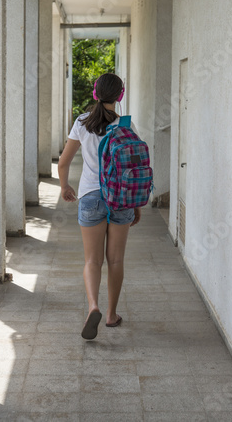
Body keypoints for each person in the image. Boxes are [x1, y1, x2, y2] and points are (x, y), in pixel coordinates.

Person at [58, 73, 141, 340]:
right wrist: (135, 204)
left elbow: (63, 162)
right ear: (121, 95)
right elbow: (133, 168)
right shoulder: (126, 125)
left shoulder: (81, 122)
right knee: (115, 259)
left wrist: (65, 187)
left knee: (92, 260)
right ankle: (111, 314)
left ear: (95, 93)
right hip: (120, 198)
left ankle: (93, 305)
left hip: (91, 196)